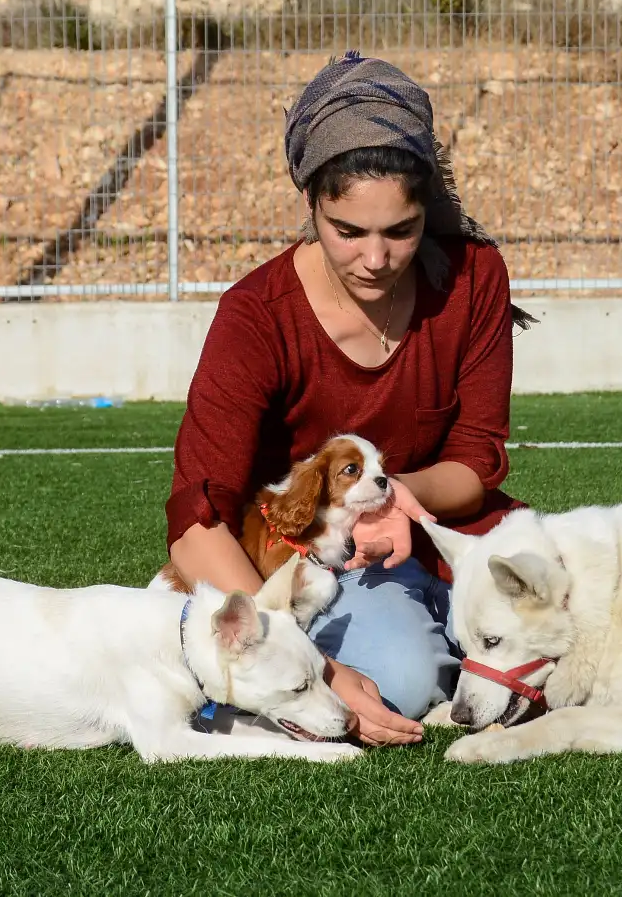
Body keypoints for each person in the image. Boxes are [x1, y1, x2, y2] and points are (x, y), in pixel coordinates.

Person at [163, 52, 531, 746]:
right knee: (407, 677)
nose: (376, 258)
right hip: (323, 564)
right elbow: (195, 520)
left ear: (429, 209)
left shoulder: (474, 276)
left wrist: (392, 499)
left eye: (401, 230)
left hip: (449, 535)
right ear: (310, 203)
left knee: (575, 609)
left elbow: (476, 461)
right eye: (348, 230)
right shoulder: (256, 315)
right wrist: (317, 669)